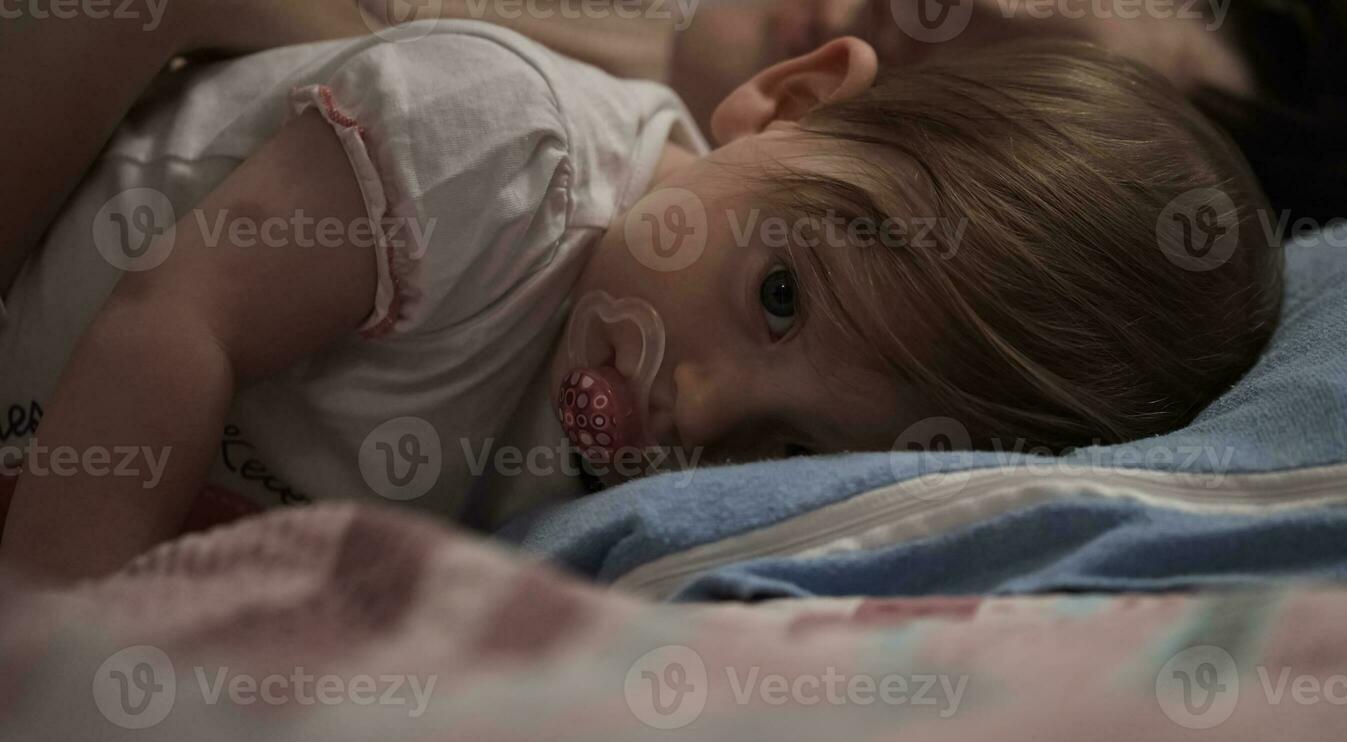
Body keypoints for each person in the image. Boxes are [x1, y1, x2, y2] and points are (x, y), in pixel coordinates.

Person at [0, 7, 1280, 581]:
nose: (706, 410)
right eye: (780, 294)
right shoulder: (501, 150)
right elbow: (180, 315)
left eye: (797, 445)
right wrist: (52, 640)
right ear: (792, 102)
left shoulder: (629, 494)